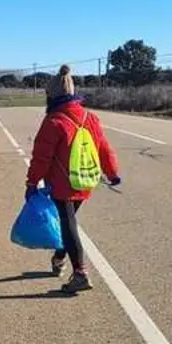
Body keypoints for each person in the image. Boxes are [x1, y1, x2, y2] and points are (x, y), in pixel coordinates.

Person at [25, 65, 121, 293]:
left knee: (68, 224)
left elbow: (42, 157)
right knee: (67, 222)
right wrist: (112, 172)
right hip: (86, 178)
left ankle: (80, 273)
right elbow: (103, 148)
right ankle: (59, 257)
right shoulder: (90, 117)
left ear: (51, 95)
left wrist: (32, 182)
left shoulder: (54, 121)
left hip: (62, 182)